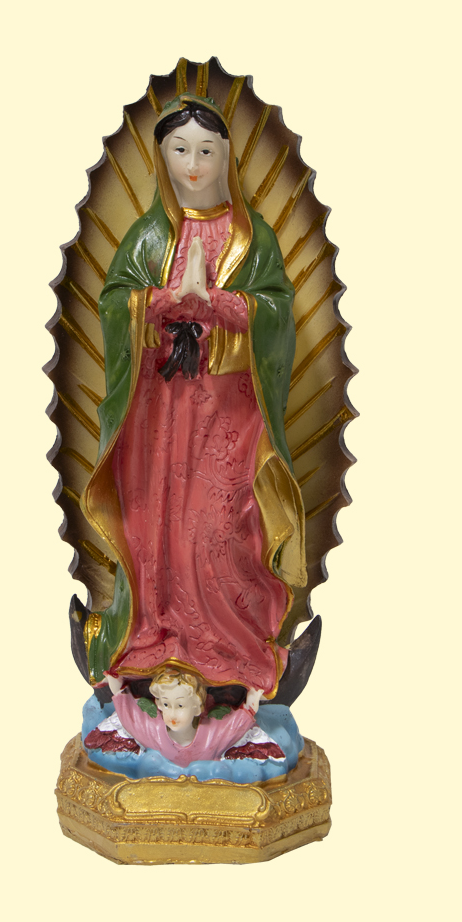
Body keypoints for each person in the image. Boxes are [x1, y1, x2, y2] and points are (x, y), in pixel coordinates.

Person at [81, 94, 306, 702]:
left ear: (227, 156)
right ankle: (154, 636)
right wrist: (157, 303)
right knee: (157, 523)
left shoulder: (250, 239)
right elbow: (114, 303)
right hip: (159, 411)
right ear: (162, 158)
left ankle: (231, 645)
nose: (194, 165)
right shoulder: (149, 237)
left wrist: (223, 305)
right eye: (181, 150)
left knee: (219, 525)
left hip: (228, 409)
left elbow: (277, 313)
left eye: (207, 151)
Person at [104, 669, 261, 768]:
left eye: (180, 706)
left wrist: (254, 697)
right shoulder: (154, 733)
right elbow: (131, 716)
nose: (172, 714)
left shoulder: (212, 736)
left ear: (196, 707)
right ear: (159, 705)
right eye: (166, 705)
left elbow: (236, 724)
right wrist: (115, 683)